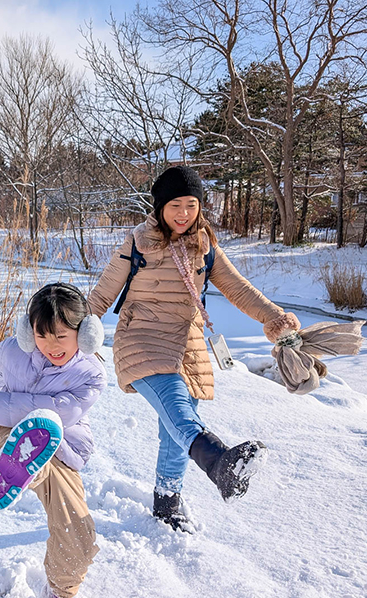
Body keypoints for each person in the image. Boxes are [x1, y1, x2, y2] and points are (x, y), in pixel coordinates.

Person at [86, 166, 302, 533]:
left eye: (191, 204)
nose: (184, 213)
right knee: (178, 409)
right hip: (142, 338)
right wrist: (72, 334)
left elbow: (238, 289)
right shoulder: (137, 242)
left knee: (177, 427)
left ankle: (167, 502)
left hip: (188, 345)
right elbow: (102, 294)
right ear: (160, 207)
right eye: (175, 205)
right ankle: (218, 462)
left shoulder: (205, 247)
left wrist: (275, 317)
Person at [0, 283, 106, 598]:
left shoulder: (91, 374)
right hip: (12, 431)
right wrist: (6, 408)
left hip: (62, 443)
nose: (51, 346)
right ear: (28, 331)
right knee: (14, 439)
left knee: (77, 532)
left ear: (85, 334)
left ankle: (59, 596)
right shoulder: (11, 351)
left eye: (61, 336)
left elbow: (64, 413)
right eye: (41, 335)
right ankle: (23, 466)